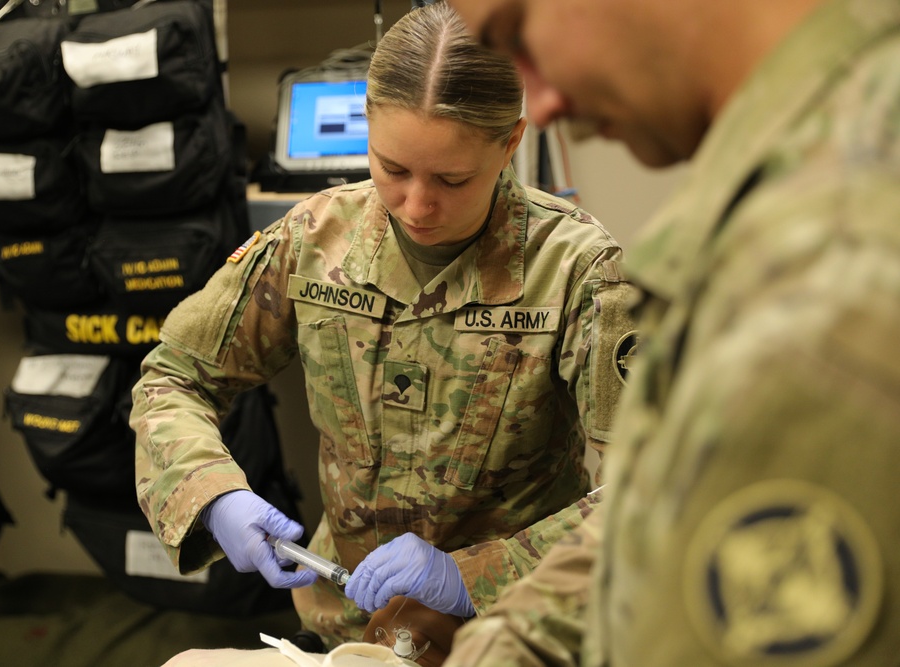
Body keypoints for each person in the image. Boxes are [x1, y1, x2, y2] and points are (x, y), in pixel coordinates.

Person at [131, 0, 636, 652]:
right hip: (343, 624)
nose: (418, 205)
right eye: (392, 169)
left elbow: (649, 489)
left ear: (510, 142)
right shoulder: (314, 240)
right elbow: (173, 376)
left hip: (511, 630)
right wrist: (215, 494)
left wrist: (471, 575)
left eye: (453, 178)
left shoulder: (576, 270)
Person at [441, 0, 900, 665]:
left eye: (518, 36)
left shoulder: (826, 287)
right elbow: (660, 522)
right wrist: (510, 641)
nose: (538, 103)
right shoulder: (822, 153)